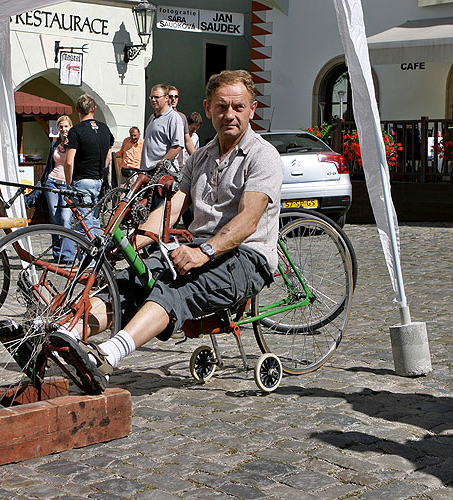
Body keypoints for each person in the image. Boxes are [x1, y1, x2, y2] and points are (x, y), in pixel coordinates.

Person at [48, 69, 284, 394]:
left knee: (176, 290)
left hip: (246, 257)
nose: (229, 114)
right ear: (208, 107)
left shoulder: (263, 156)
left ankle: (107, 356)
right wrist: (133, 243)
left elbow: (248, 221)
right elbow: (170, 209)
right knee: (130, 278)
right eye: (221, 106)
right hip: (199, 250)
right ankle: (63, 337)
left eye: (238, 107)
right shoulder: (200, 157)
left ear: (252, 109)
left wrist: (204, 252)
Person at [64, 94, 114, 238]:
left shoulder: (76, 131)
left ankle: (89, 259)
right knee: (94, 222)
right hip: (98, 180)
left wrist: (69, 184)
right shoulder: (105, 129)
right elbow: (108, 157)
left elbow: (68, 162)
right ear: (95, 109)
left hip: (82, 180)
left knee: (83, 225)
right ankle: (97, 255)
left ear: (77, 109)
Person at [39, 114, 75, 262]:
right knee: (54, 218)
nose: (63, 129)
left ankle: (68, 255)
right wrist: (45, 178)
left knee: (66, 219)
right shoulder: (54, 144)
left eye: (66, 126)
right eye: (61, 127)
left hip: (67, 184)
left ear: (70, 127)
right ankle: (57, 253)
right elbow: (50, 163)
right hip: (52, 182)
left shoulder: (75, 143)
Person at [140, 84, 184, 172]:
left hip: (162, 173)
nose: (153, 100)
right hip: (147, 170)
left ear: (166, 98)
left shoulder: (173, 117)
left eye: (156, 97)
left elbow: (178, 145)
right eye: (151, 97)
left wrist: (162, 163)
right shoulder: (153, 117)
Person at [166, 85, 196, 168]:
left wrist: (197, 160)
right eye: (171, 96)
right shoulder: (156, 117)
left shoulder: (182, 117)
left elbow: (187, 142)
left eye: (176, 96)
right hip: (159, 164)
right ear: (165, 98)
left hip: (176, 165)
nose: (173, 99)